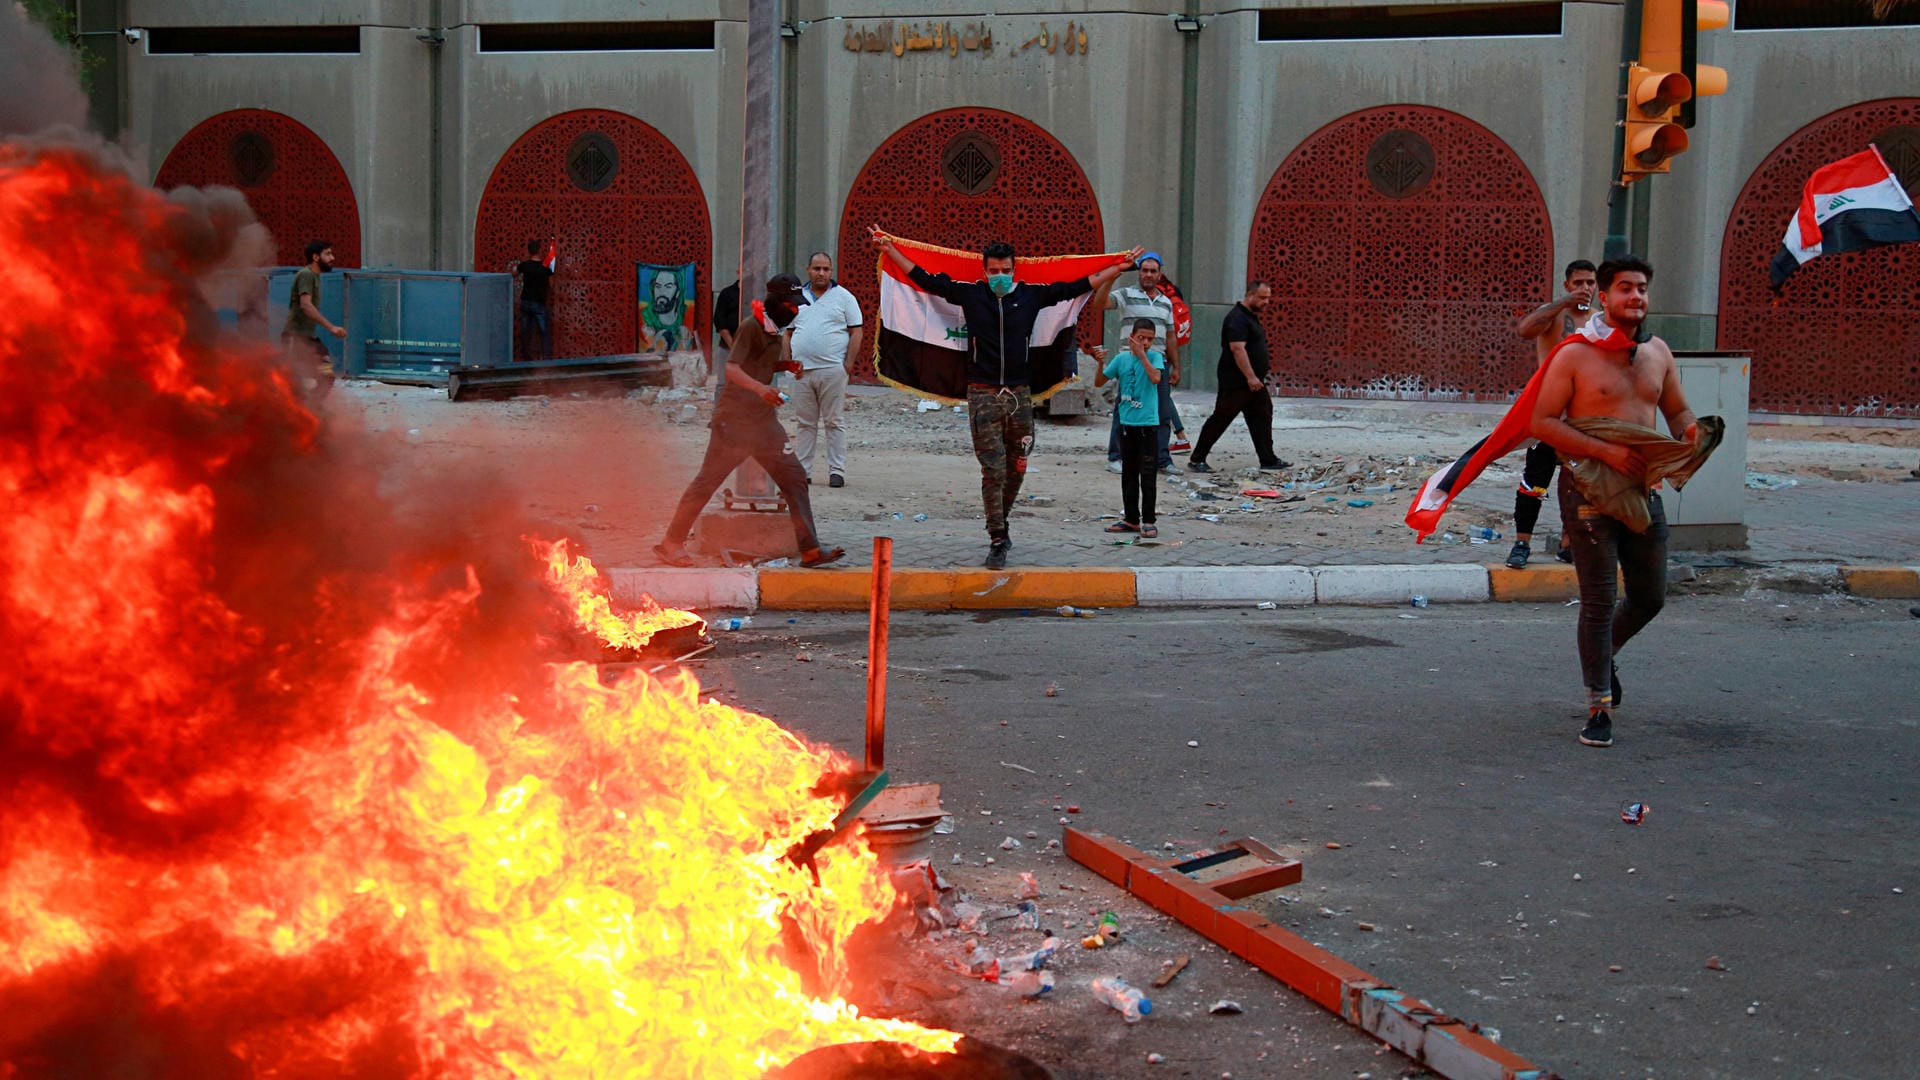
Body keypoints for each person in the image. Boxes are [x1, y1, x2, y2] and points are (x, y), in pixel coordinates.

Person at [869, 226, 1140, 568]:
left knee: (1018, 465)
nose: (999, 276)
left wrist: (1117, 268)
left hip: (1020, 394)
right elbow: (925, 280)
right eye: (993, 271)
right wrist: (890, 250)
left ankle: (1002, 519)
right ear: (985, 271)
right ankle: (997, 536)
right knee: (992, 470)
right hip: (982, 394)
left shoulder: (1030, 297)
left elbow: (1078, 286)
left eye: (1005, 271)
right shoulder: (971, 295)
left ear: (1015, 270)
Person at [1530, 255, 1701, 749]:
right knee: (1600, 600)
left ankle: (1606, 656)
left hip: (1642, 490)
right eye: (1625, 288)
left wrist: (1693, 436)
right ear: (1603, 297)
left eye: (1642, 288)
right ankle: (1597, 708)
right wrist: (1606, 451)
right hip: (1587, 491)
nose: (1637, 297)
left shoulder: (1658, 354)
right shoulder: (1574, 354)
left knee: (1651, 597)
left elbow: (1676, 411)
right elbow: (1543, 421)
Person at [654, 274, 845, 569]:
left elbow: (762, 365)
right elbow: (731, 369)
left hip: (763, 423)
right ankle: (670, 543)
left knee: (794, 478)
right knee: (707, 482)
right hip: (734, 423)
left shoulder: (774, 331)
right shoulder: (751, 326)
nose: (795, 310)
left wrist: (786, 366)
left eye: (797, 305)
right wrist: (762, 389)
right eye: (790, 305)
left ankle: (810, 550)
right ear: (774, 303)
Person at [1507, 259, 1597, 568]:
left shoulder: (1599, 321)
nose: (1585, 288)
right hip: (1546, 415)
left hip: (1581, 418)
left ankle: (1568, 543)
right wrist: (1564, 304)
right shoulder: (1552, 315)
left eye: (1590, 283)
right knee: (1536, 480)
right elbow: (1524, 329)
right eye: (1579, 282)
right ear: (1567, 285)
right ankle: (1521, 543)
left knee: (1577, 482)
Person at [1094, 253, 1185, 475]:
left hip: (1158, 364)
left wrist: (1176, 366)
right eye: (1144, 270)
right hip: (1130, 363)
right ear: (1139, 272)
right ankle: (1116, 457)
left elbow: (1171, 336)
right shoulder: (1126, 295)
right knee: (1124, 409)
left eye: (1153, 271)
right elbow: (1100, 304)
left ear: (1159, 274)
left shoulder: (1165, 302)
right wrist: (1112, 278)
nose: (1148, 275)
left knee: (1162, 412)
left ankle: (1162, 459)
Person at [1187, 280, 1285, 474]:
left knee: (1262, 415)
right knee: (1221, 418)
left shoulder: (1250, 317)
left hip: (1252, 384)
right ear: (1250, 295)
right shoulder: (1237, 318)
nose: (1266, 302)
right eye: (1262, 298)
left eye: (1268, 298)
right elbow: (1237, 349)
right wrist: (1250, 376)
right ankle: (1197, 459)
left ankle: (1268, 459)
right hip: (1237, 382)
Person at [789, 252, 864, 488]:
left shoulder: (844, 297)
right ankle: (803, 470)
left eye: (826, 269)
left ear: (832, 271)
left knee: (833, 421)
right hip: (801, 372)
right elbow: (788, 333)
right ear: (808, 269)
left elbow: (857, 331)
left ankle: (837, 471)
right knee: (805, 423)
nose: (821, 273)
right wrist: (788, 363)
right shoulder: (795, 297)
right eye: (816, 268)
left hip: (832, 369)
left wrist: (848, 364)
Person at [1094, 319, 1166, 537]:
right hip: (1127, 424)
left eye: (1150, 339)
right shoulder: (1122, 359)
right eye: (1141, 337)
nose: (1145, 342)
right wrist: (1099, 363)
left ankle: (1149, 520)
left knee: (1148, 474)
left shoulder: (1154, 357)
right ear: (1131, 336)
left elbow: (1155, 378)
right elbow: (1099, 382)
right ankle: (1131, 519)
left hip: (1148, 425)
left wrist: (1142, 355)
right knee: (1129, 473)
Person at [283, 239, 347, 397]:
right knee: (292, 380)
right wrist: (331, 327)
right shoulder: (306, 275)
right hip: (295, 338)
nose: (332, 258)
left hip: (308, 339)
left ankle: (310, 410)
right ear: (316, 257)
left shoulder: (314, 277)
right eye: (328, 254)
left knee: (326, 375)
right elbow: (306, 305)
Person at [512, 238, 556, 361]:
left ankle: (527, 357)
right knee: (544, 333)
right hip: (539, 303)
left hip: (526, 302)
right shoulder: (545, 268)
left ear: (529, 251)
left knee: (526, 332)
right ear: (539, 250)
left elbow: (513, 274)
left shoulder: (524, 266)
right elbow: (551, 285)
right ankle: (546, 358)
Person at [712, 273, 740, 380]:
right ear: (738, 272)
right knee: (723, 382)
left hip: (751, 350)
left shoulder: (757, 294)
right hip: (727, 346)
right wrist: (733, 346)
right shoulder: (727, 293)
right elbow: (720, 322)